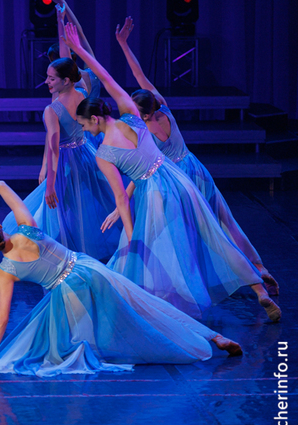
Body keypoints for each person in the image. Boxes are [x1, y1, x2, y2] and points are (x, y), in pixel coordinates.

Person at [62, 23, 280, 321]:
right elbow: (107, 77)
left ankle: (164, 302)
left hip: (154, 193)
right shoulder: (132, 114)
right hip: (179, 178)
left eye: (84, 125)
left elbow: (122, 199)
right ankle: (259, 289)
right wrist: (81, 50)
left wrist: (132, 237)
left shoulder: (103, 154)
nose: (85, 131)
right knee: (214, 233)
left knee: (167, 248)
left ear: (96, 119)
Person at [0, 176, 243, 378]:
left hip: (68, 292)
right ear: (0, 228)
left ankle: (156, 346)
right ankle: (212, 337)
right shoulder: (26, 228)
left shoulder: (5, 271)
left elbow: (2, 318)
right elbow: (2, 186)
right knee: (144, 305)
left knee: (88, 336)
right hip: (90, 268)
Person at [113, 16, 279, 295]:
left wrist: (124, 198)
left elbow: (141, 170)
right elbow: (141, 77)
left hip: (176, 181)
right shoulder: (162, 107)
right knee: (225, 221)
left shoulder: (143, 133)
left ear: (142, 114)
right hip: (196, 169)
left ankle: (182, 285)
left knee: (190, 234)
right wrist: (124, 45)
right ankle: (258, 267)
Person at [1, 56, 120, 260]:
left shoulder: (52, 110)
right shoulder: (82, 94)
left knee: (61, 208)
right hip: (87, 154)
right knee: (87, 202)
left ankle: (52, 252)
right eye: (47, 77)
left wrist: (50, 183)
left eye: (52, 78)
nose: (46, 82)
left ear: (66, 80)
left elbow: (54, 148)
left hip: (66, 162)